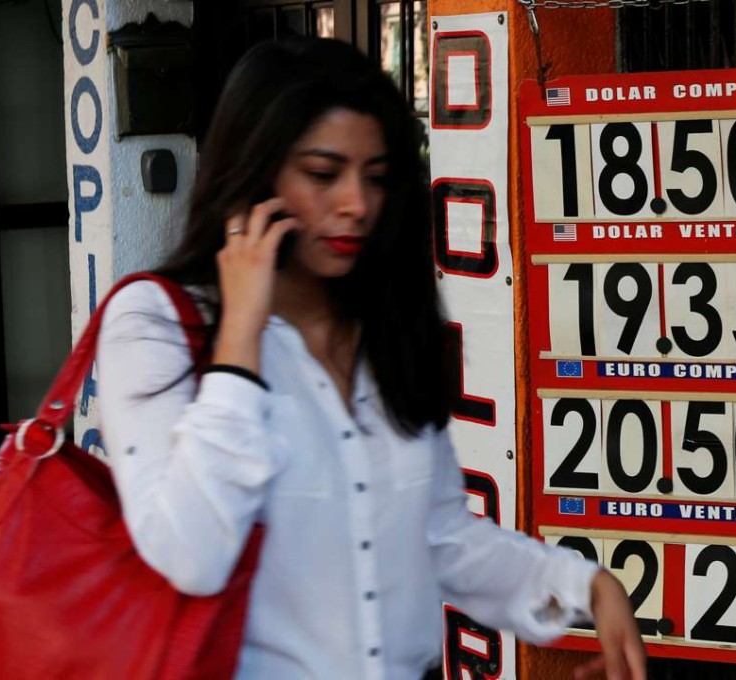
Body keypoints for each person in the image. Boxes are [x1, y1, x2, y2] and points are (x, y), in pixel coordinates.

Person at [97, 37, 646, 680]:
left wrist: (585, 586)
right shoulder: (158, 324)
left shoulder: (382, 325)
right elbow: (189, 554)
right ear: (254, 171)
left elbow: (439, 537)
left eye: (376, 177)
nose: (357, 204)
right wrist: (240, 338)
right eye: (323, 174)